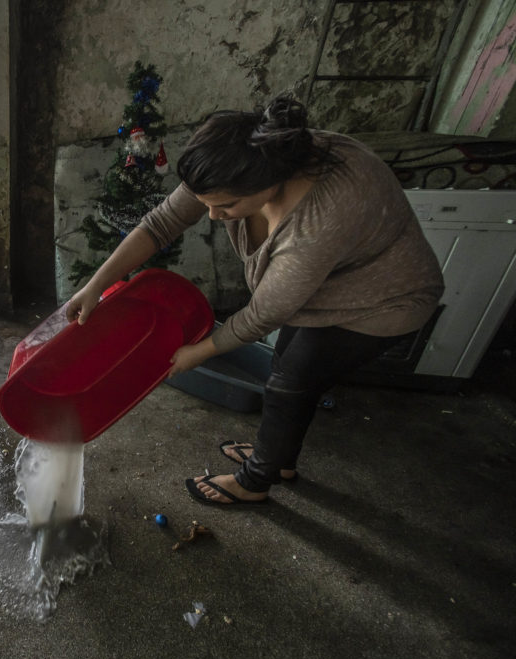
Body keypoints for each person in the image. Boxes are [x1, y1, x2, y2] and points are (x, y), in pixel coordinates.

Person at [65, 95, 444, 506]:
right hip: (323, 287)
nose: (212, 216)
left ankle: (255, 480)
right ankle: (278, 458)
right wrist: (96, 285)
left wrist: (198, 352)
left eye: (225, 207)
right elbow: (162, 224)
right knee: (288, 369)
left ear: (267, 185)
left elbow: (264, 313)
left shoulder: (321, 216)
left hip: (384, 300)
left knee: (290, 381)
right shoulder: (240, 160)